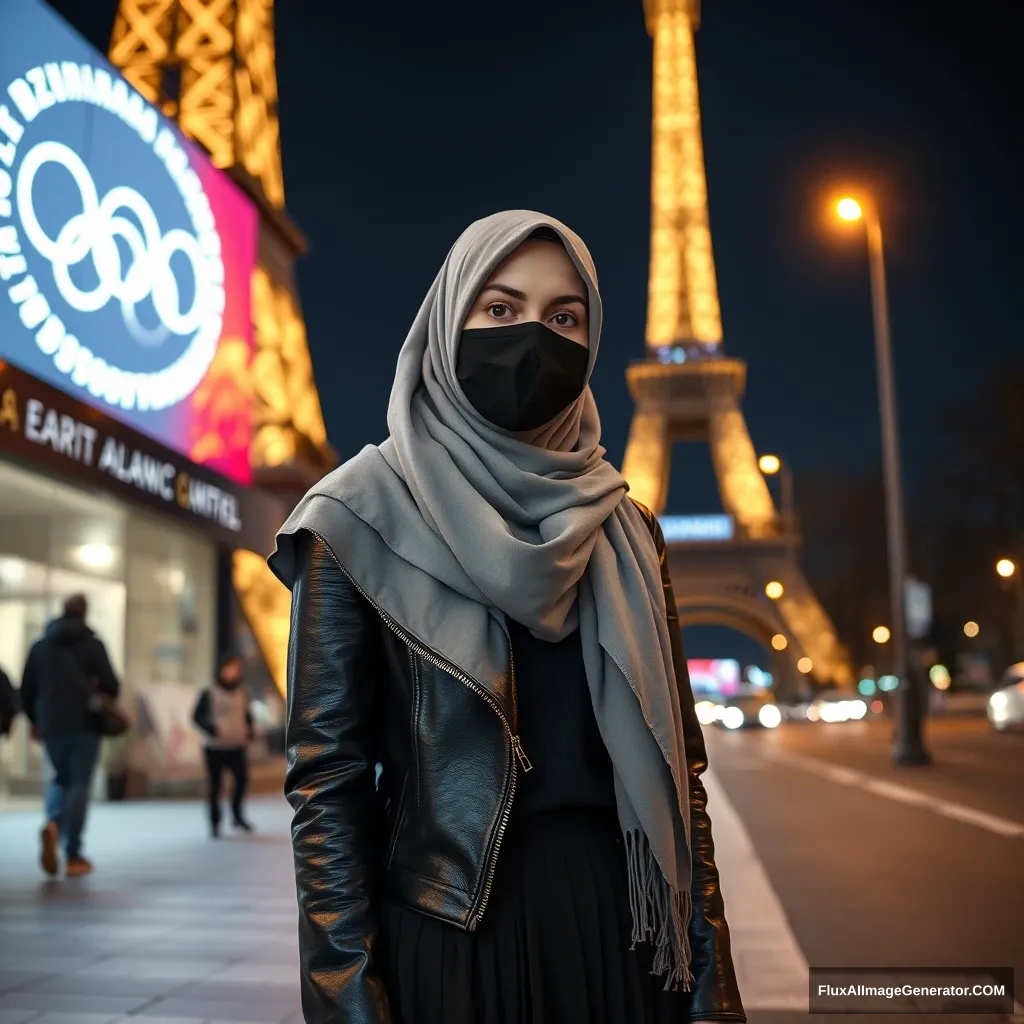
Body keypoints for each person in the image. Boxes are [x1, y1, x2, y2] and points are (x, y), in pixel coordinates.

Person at [268, 211, 745, 1024]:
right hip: (454, 946)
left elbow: (682, 782)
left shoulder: (628, 530)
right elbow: (328, 788)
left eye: (565, 317)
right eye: (499, 308)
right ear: (448, 322)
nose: (534, 337)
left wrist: (712, 984)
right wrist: (348, 1000)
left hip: (627, 943)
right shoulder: (355, 519)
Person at [21, 593, 120, 878]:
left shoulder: (40, 646)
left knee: (61, 777)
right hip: (86, 724)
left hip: (51, 725)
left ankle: (52, 823)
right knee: (79, 783)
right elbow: (112, 686)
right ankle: (73, 853)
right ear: (84, 613)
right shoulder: (93, 645)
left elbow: (26, 690)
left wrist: (35, 719)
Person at [192, 650, 255, 837]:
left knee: (242, 780)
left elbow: (247, 715)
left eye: (236, 668)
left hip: (237, 745)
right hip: (215, 746)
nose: (233, 672)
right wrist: (211, 729)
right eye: (230, 668)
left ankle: (237, 815)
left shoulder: (243, 691)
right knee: (215, 785)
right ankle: (214, 822)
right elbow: (196, 717)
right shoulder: (208, 692)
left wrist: (249, 730)